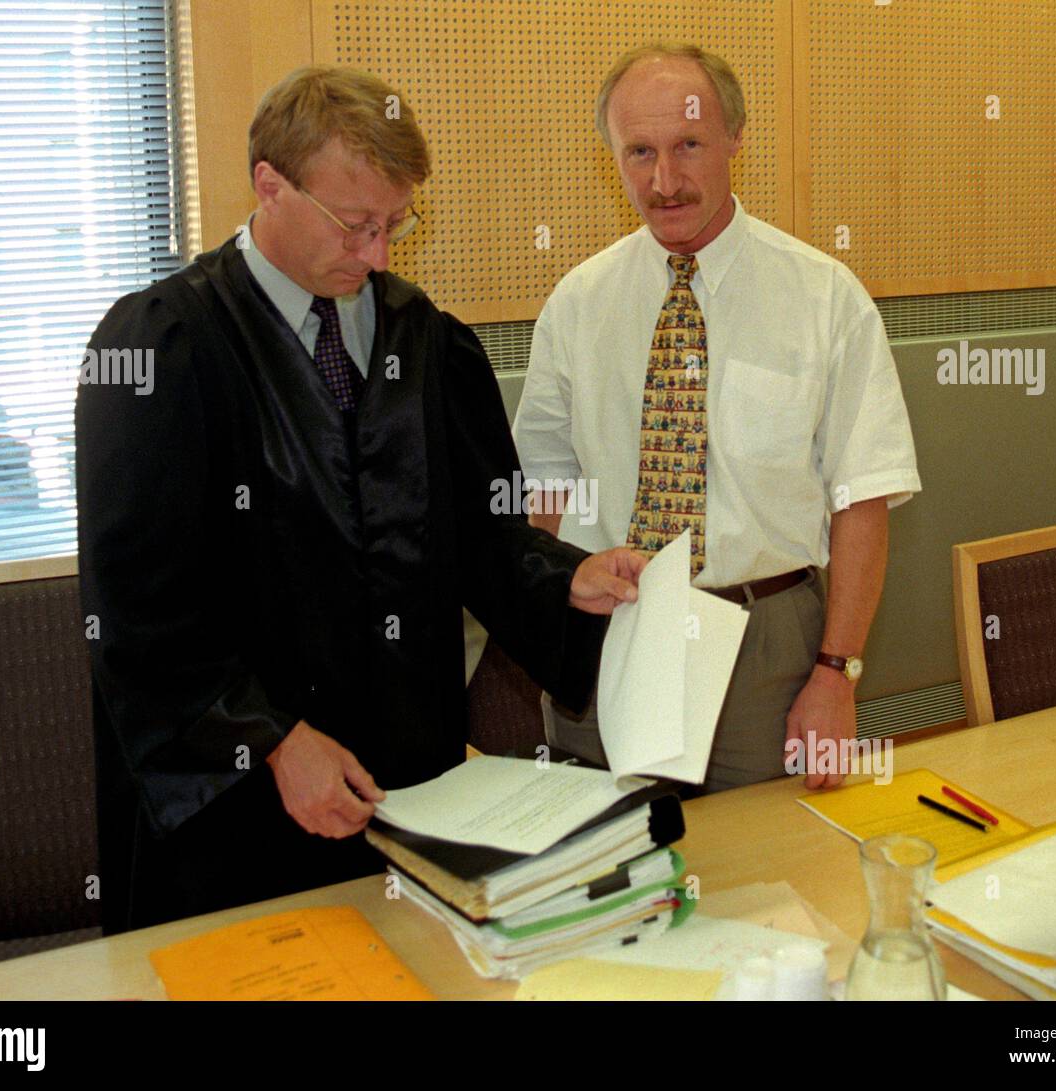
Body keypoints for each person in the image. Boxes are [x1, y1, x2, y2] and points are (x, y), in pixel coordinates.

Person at [76, 66, 644, 934]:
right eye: (355, 224)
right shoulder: (164, 347)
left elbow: (482, 536)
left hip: (407, 788)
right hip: (236, 809)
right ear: (270, 185)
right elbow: (137, 613)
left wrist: (565, 576)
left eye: (395, 224)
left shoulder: (424, 339)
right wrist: (269, 739)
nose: (378, 254)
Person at [512, 43, 920, 792]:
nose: (664, 181)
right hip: (612, 635)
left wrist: (836, 672)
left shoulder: (823, 297)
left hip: (765, 650)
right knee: (610, 854)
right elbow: (545, 488)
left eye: (689, 146)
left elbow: (861, 496)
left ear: (735, 137)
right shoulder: (578, 303)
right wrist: (551, 626)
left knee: (774, 856)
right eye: (639, 152)